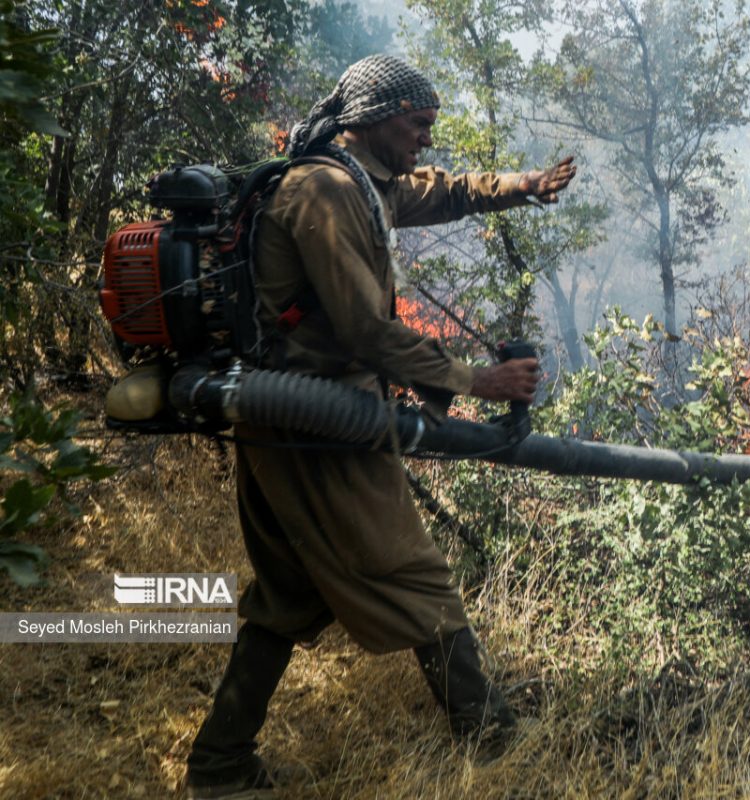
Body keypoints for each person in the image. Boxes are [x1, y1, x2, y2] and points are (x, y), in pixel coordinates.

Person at [185, 54, 577, 799]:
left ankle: (220, 764)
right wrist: (473, 379)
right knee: (419, 578)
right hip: (316, 419)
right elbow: (365, 329)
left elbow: (442, 190)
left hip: (286, 416)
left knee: (288, 596)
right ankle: (491, 734)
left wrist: (521, 187)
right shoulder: (325, 191)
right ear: (374, 119)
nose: (426, 140)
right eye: (419, 125)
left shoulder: (358, 179)